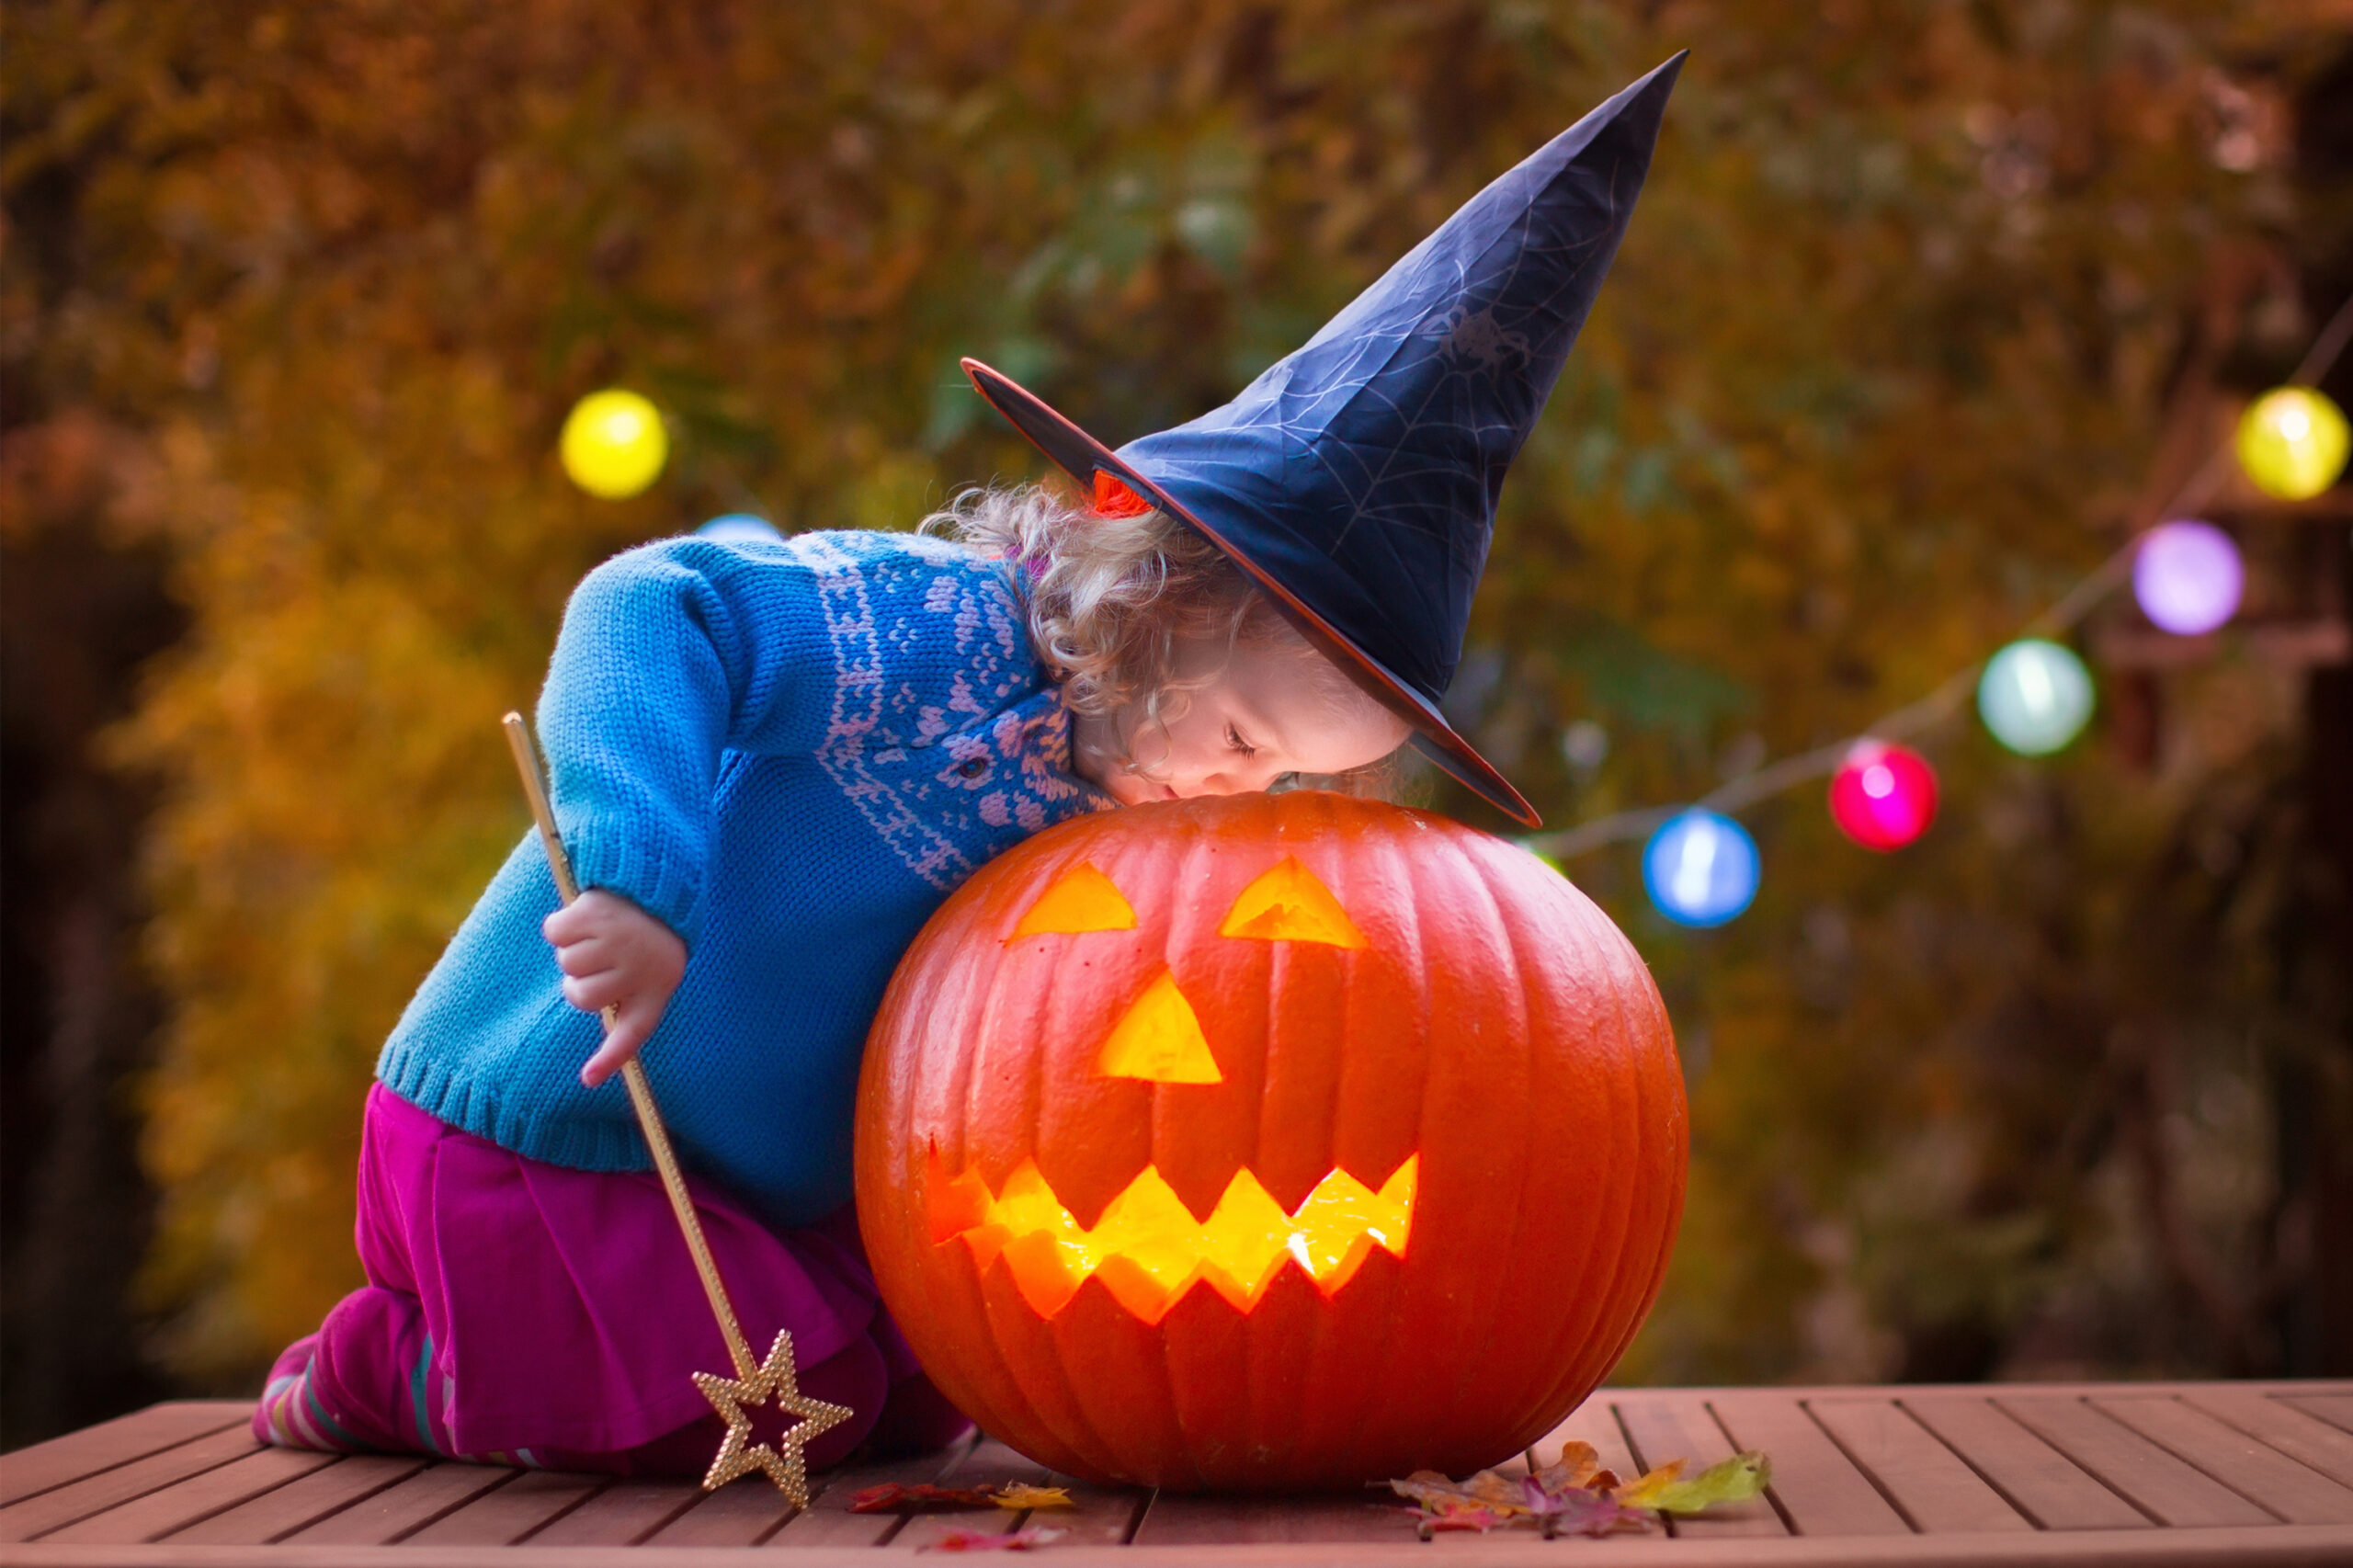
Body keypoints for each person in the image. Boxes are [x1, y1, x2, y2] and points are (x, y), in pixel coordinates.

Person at [254, 52, 1682, 1475]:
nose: (1239, 795)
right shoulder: (928, 629)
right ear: (1164, 603)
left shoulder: (1112, 803)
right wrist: (637, 885)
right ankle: (392, 1368)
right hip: (561, 1123)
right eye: (1246, 739)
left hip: (761, 1192)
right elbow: (651, 607)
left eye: (1288, 781)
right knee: (696, 1401)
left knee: (890, 1405)